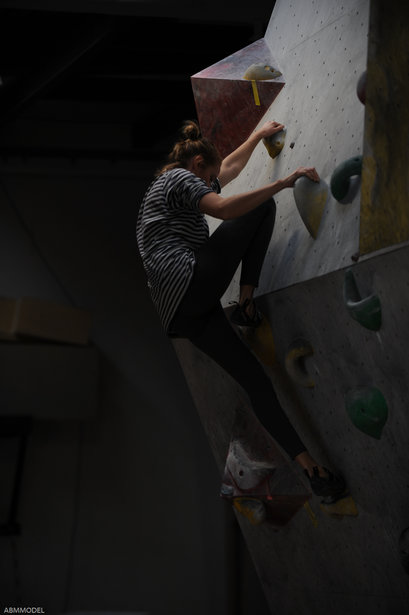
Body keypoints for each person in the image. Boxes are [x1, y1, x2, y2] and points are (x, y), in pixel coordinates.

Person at [137, 119, 346, 501]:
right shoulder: (178, 178)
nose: (211, 183)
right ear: (196, 165)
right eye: (207, 177)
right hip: (189, 281)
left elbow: (228, 169)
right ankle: (246, 305)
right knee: (262, 206)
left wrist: (255, 136)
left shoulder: (170, 187)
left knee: (256, 382)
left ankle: (313, 471)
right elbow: (222, 209)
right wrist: (283, 183)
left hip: (183, 314)